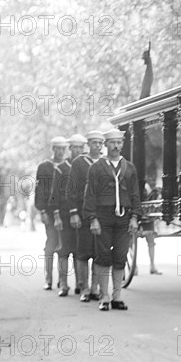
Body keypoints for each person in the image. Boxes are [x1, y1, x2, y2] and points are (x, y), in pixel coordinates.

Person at [83, 128, 141, 311]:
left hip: (124, 217)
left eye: (119, 143)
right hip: (103, 216)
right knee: (102, 256)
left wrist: (135, 217)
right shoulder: (96, 167)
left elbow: (135, 194)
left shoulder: (129, 167)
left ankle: (117, 297)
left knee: (120, 256)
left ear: (122, 144)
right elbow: (90, 194)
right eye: (112, 143)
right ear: (105, 145)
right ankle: (104, 296)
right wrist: (92, 218)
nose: (116, 146)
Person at [48, 134, 87, 297]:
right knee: (64, 249)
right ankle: (63, 284)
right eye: (74, 147)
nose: (77, 150)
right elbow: (54, 195)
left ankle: (81, 283)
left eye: (80, 147)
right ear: (69, 149)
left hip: (82, 214)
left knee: (81, 250)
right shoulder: (61, 168)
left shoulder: (87, 166)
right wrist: (56, 217)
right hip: (64, 215)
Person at [68, 130, 104, 302]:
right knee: (82, 252)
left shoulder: (106, 162)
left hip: (102, 213)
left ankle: (95, 287)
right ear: (88, 144)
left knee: (99, 252)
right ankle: (84, 287)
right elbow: (72, 189)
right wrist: (73, 212)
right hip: (83, 212)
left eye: (100, 143)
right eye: (94, 142)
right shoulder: (79, 163)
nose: (97, 145)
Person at [35, 136, 68, 290]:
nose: (61, 152)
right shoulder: (45, 167)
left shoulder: (69, 166)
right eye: (58, 149)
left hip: (66, 210)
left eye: (63, 149)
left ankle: (63, 281)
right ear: (53, 149)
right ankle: (48, 278)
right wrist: (42, 211)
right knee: (51, 242)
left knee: (65, 245)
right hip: (49, 210)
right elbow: (40, 190)